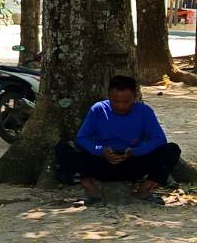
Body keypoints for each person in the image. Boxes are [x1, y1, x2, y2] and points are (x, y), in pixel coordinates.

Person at [54, 75, 182, 199]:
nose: (121, 105)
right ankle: (88, 186)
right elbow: (81, 138)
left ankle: (146, 188)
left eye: (126, 102)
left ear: (135, 97)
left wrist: (135, 152)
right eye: (116, 101)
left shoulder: (144, 111)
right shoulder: (98, 109)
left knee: (171, 150)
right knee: (64, 147)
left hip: (133, 163)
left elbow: (159, 139)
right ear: (109, 96)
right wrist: (101, 151)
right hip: (101, 163)